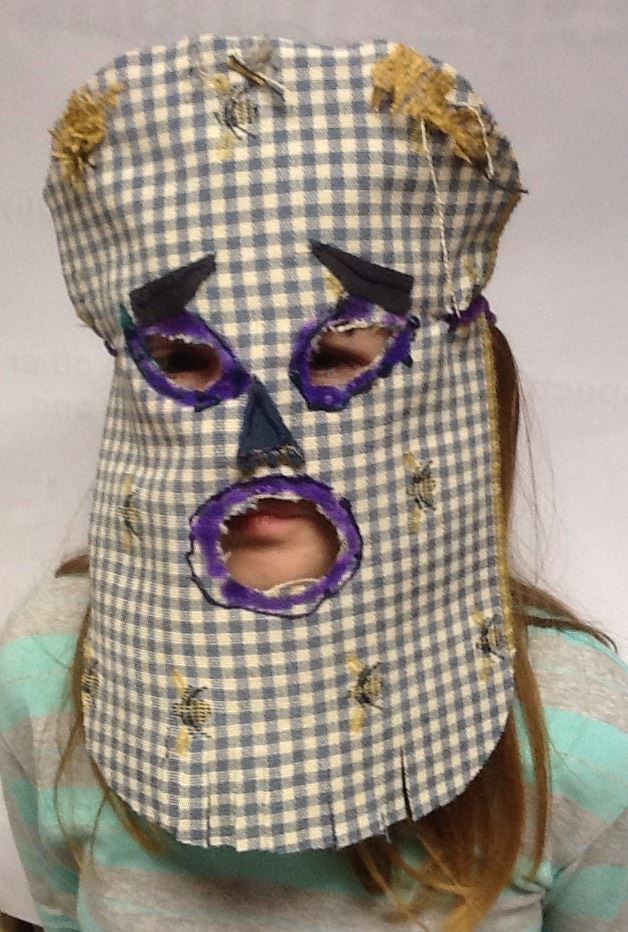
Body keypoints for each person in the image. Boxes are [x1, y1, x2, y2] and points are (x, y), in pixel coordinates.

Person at [1, 32, 627, 932]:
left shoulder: (579, 734)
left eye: (338, 355)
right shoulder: (46, 668)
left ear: (455, 393)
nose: (262, 448)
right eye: (182, 359)